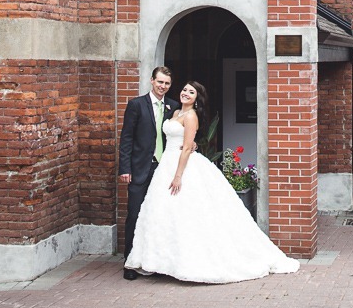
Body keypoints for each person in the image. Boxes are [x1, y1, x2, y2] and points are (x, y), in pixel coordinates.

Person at [125, 80, 299, 284]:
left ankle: (190, 260)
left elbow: (188, 147)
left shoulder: (190, 116)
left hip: (181, 166)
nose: (186, 94)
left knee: (189, 213)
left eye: (191, 92)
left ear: (197, 98)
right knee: (165, 213)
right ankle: (163, 261)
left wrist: (179, 175)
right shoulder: (174, 112)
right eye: (184, 90)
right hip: (167, 164)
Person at [119, 65, 180, 280]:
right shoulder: (136, 105)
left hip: (164, 169)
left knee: (160, 215)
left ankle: (156, 262)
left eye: (167, 83)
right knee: (135, 214)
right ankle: (129, 263)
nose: (163, 86)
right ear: (152, 81)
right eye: (160, 82)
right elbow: (126, 138)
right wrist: (125, 168)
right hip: (139, 168)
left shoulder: (174, 107)